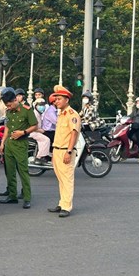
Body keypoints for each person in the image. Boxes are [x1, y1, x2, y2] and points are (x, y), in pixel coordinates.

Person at [0, 89, 37, 209]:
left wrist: (23, 132)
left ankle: (27, 197)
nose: (8, 107)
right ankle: (12, 196)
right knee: (9, 171)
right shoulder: (9, 112)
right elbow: (7, 128)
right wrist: (2, 143)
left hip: (21, 144)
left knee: (23, 171)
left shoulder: (27, 110)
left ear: (15, 100)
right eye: (7, 106)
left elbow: (35, 125)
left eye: (9, 105)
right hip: (9, 144)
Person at [48, 85, 80, 218]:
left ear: (67, 100)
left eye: (59, 99)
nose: (56, 101)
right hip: (57, 150)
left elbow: (74, 133)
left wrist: (69, 151)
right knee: (61, 179)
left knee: (67, 179)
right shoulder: (61, 114)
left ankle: (66, 206)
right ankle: (62, 203)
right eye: (55, 99)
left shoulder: (72, 114)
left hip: (66, 150)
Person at [29, 97, 52, 165]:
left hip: (37, 131)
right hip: (33, 132)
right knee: (46, 140)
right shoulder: (34, 114)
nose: (42, 107)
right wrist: (41, 130)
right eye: (40, 105)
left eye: (43, 105)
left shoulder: (39, 114)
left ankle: (48, 155)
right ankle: (39, 157)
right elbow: (32, 127)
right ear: (35, 105)